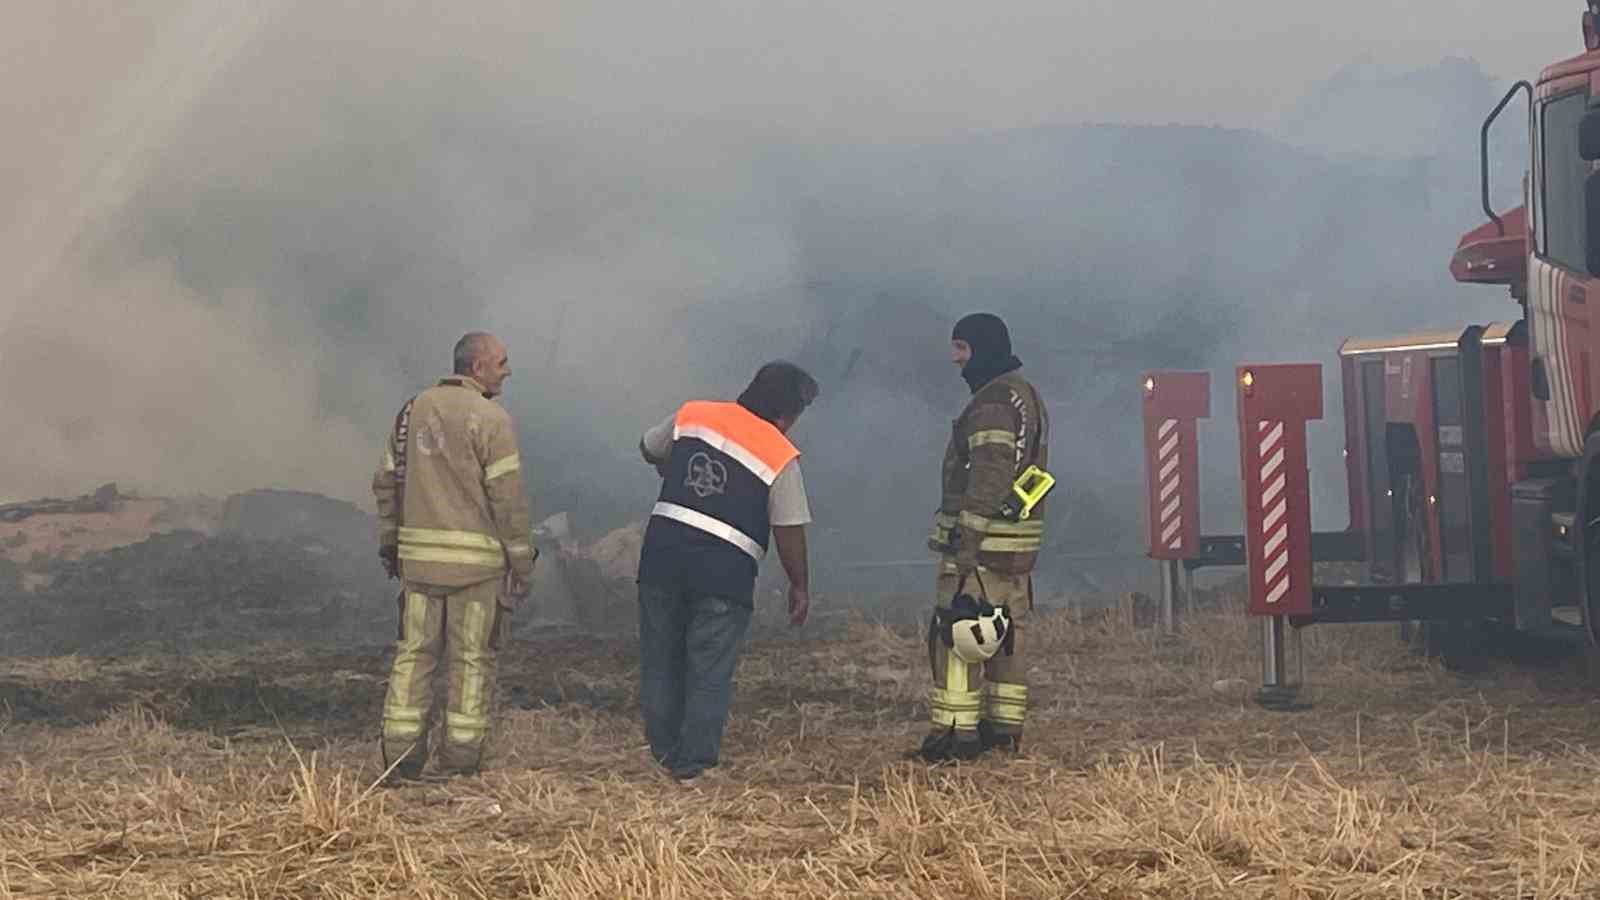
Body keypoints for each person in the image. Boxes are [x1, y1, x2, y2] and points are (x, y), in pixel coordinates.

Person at [635, 361, 818, 781]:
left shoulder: (694, 414)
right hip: (724, 572)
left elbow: (649, 448)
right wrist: (800, 585)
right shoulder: (778, 452)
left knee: (661, 658)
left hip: (662, 558)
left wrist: (675, 466)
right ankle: (694, 764)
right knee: (708, 666)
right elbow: (788, 528)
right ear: (787, 415)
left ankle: (662, 751)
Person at [371, 331, 536, 781]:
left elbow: (387, 482)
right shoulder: (492, 419)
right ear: (477, 368)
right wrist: (521, 564)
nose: (507, 370)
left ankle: (401, 758)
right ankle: (461, 762)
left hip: (418, 568)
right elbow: (509, 502)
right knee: (471, 660)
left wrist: (391, 544)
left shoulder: (412, 412)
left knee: (413, 656)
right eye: (501, 362)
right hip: (477, 574)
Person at [918, 313, 1050, 762]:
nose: (955, 360)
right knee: (1005, 637)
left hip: (983, 551)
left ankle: (956, 736)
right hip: (1013, 549)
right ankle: (1003, 728)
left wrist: (965, 544)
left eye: (961, 348)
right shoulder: (1023, 395)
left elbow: (990, 475)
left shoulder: (993, 402)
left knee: (958, 634)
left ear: (980, 349)